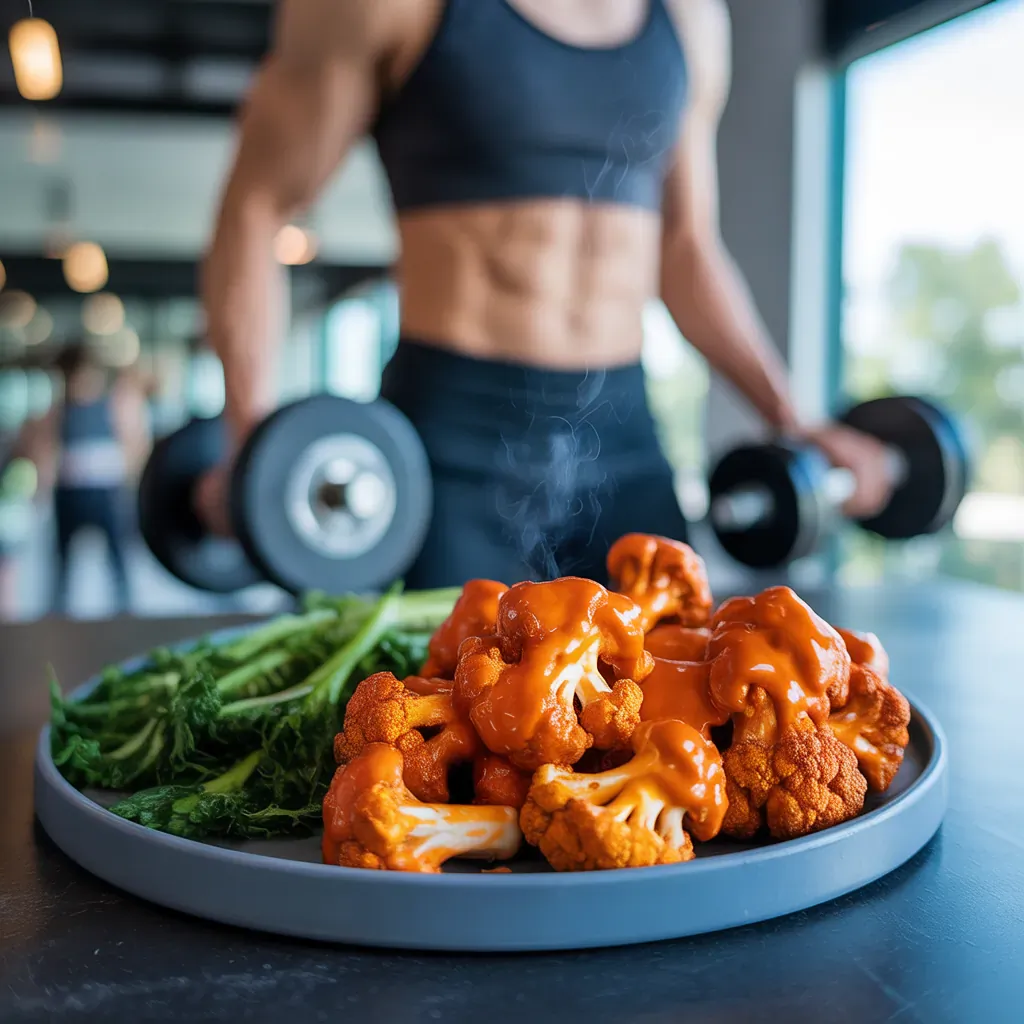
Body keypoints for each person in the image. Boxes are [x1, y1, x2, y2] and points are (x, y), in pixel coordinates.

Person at [199, 0, 893, 588]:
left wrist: (789, 418)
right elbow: (255, 209)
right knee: (435, 728)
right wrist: (251, 448)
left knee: (668, 722)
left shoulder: (689, 17)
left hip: (624, 441)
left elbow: (685, 251)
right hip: (449, 449)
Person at [18, 344, 150, 614]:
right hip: (69, 493)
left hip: (106, 491)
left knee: (118, 561)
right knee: (62, 563)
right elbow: (46, 449)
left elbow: (133, 443)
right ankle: (57, 614)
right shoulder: (57, 411)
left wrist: (135, 486)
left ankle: (126, 612)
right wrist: (40, 489)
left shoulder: (114, 406)